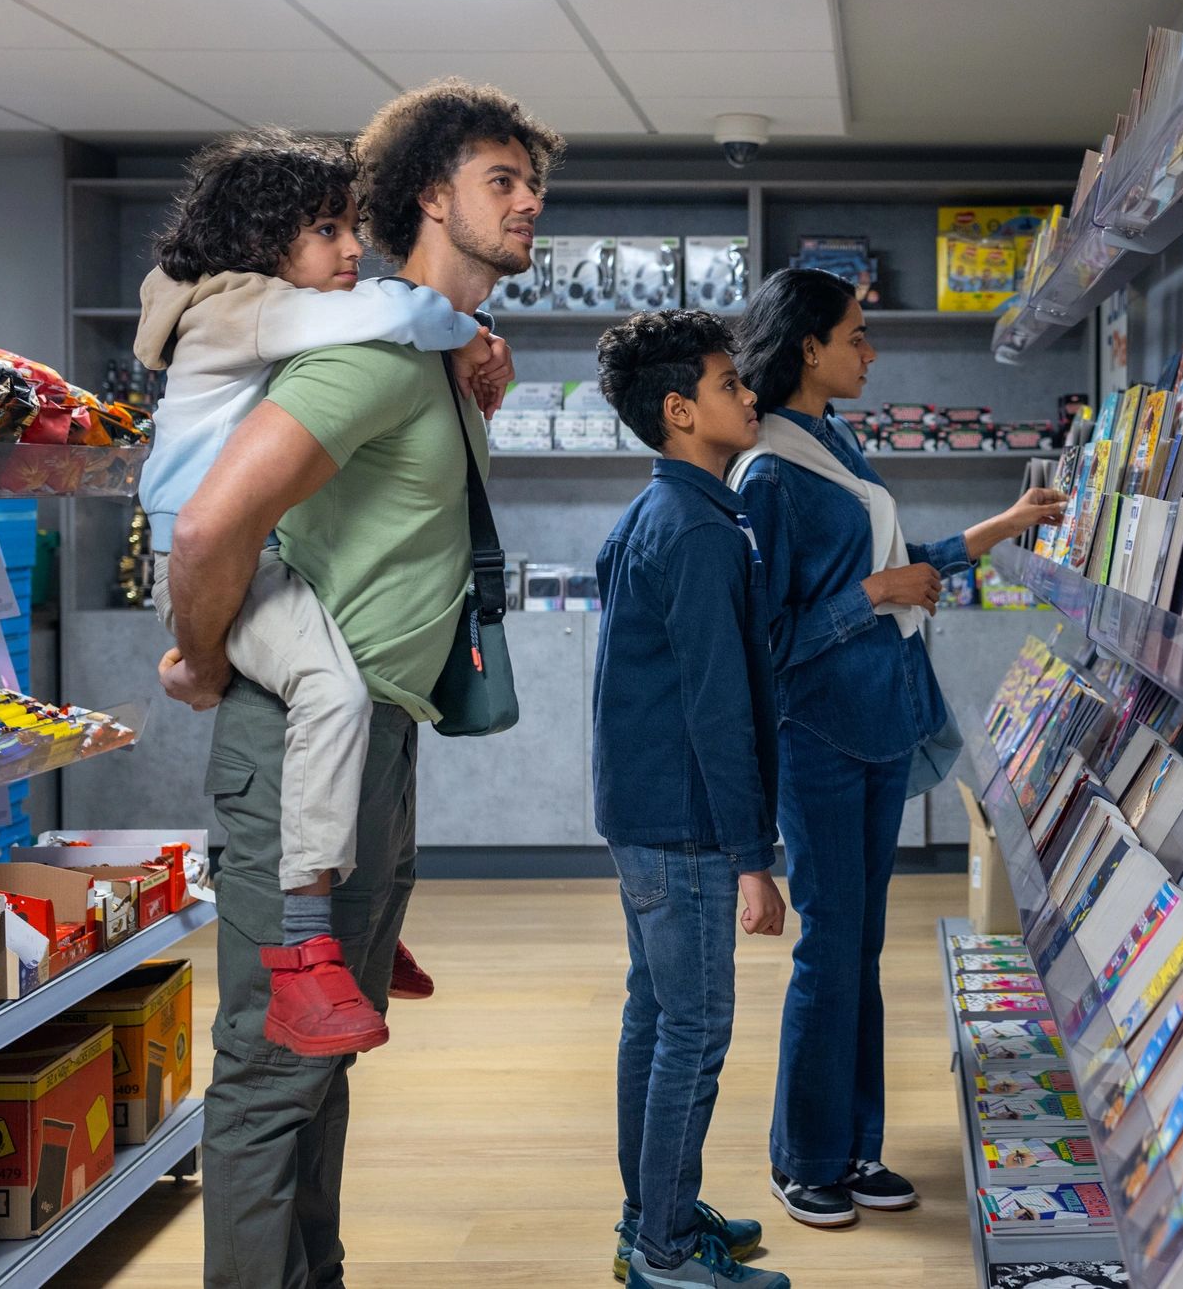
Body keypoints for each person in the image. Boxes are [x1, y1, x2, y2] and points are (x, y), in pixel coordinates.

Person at [160, 79, 561, 1289]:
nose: (529, 200)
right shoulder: (376, 351)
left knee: (321, 1059)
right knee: (275, 1064)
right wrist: (210, 651)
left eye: (532, 181)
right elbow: (209, 524)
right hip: (297, 734)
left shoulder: (434, 357)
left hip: (374, 737)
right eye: (501, 180)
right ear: (430, 199)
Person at [135, 127, 509, 1056]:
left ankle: (357, 926)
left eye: (351, 228)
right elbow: (394, 313)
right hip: (216, 561)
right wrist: (471, 336)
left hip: (247, 555)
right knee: (332, 690)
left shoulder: (245, 310)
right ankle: (309, 950)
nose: (352, 250)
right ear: (265, 245)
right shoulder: (247, 309)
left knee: (344, 700)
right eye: (328, 231)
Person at [730, 267, 1067, 1227]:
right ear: (809, 347)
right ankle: (803, 1159)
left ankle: (854, 1147)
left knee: (861, 950)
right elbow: (769, 640)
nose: (870, 351)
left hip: (877, 727)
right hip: (821, 739)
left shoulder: (830, 442)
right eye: (857, 334)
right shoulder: (767, 473)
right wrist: (874, 599)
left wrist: (996, 531)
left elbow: (895, 561)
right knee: (830, 951)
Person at [593, 309, 793, 1289]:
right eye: (727, 384)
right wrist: (753, 857)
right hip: (687, 821)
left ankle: (653, 1212)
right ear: (679, 411)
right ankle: (665, 1253)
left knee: (656, 1014)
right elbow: (720, 708)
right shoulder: (701, 532)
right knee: (693, 1028)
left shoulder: (653, 513)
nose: (747, 395)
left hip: (641, 809)